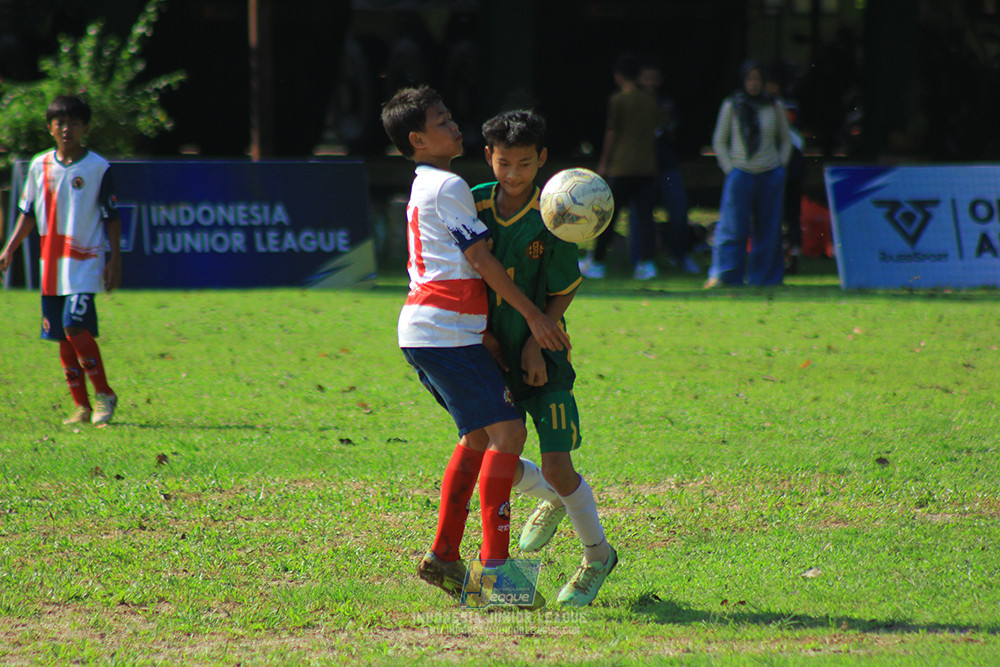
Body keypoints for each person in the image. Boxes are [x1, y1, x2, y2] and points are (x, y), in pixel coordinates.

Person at [379, 86, 571, 608]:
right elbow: (482, 260)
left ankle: (445, 555)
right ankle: (496, 574)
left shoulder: (427, 183)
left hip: (438, 330)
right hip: (442, 332)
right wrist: (532, 315)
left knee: (480, 437)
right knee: (508, 433)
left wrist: (483, 332)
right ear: (418, 138)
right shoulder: (449, 185)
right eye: (442, 122)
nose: (454, 126)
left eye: (450, 116)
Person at [472, 109, 618, 607]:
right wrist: (485, 337)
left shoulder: (557, 211)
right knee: (496, 459)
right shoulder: (471, 206)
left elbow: (564, 288)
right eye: (504, 162)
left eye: (525, 164)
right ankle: (553, 500)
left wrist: (538, 338)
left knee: (558, 465)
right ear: (488, 156)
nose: (513, 174)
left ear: (543, 161)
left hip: (545, 354)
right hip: (490, 355)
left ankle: (598, 556)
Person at [0, 95, 121, 426]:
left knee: (74, 325)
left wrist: (115, 260)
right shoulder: (39, 165)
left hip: (85, 262)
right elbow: (28, 214)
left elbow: (112, 217)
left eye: (74, 123)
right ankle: (81, 406)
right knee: (61, 336)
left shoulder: (97, 167)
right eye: (60, 123)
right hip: (51, 265)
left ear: (86, 128)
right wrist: (9, 248)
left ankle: (104, 395)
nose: (67, 129)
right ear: (49, 127)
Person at [705, 60, 792, 288]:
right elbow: (719, 141)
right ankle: (726, 276)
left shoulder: (774, 105)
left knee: (769, 229)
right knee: (733, 227)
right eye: (749, 79)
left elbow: (786, 139)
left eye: (758, 79)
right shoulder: (732, 105)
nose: (754, 84)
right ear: (744, 81)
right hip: (741, 173)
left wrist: (780, 166)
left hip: (770, 173)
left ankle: (764, 279)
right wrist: (729, 168)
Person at [579, 53, 659, 281]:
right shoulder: (650, 100)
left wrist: (603, 163)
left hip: (621, 167)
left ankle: (597, 262)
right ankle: (647, 264)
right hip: (646, 167)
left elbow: (612, 132)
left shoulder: (618, 100)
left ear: (618, 76)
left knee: (607, 215)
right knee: (645, 217)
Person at [637, 59, 700, 275]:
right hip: (642, 168)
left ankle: (680, 255)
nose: (651, 82)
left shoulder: (666, 103)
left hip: (667, 166)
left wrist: (664, 121)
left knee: (679, 209)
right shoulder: (632, 102)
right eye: (646, 78)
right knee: (641, 216)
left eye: (654, 78)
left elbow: (674, 136)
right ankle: (641, 261)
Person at [764, 63, 806, 275]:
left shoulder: (786, 106)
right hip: (772, 163)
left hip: (791, 165)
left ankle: (793, 253)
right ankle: (777, 254)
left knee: (791, 213)